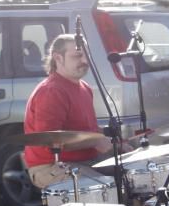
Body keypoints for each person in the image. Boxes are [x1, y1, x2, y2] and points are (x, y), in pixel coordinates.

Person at [23, 34, 115, 189]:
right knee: (107, 187)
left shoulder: (84, 87)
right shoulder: (51, 91)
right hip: (51, 167)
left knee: (133, 172)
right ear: (58, 58)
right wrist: (96, 141)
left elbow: (86, 130)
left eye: (86, 55)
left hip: (86, 160)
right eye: (78, 56)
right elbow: (51, 140)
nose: (85, 61)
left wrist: (118, 142)